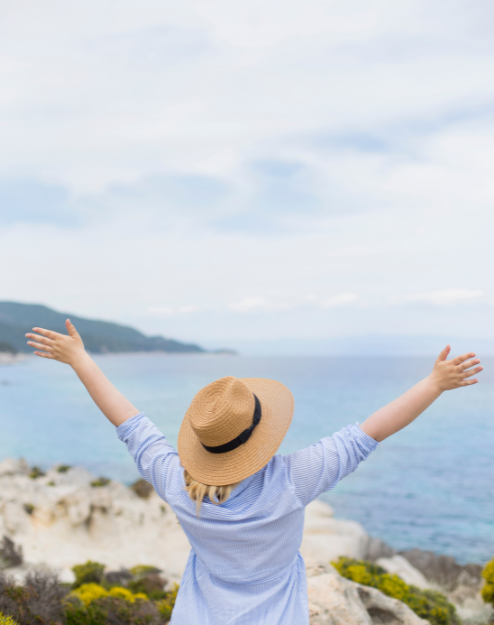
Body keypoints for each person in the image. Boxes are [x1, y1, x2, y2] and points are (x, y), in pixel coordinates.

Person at [26, 320, 482, 625]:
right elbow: (369, 432)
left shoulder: (176, 483)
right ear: (261, 433)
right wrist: (433, 384)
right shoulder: (292, 480)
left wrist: (81, 360)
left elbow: (129, 423)